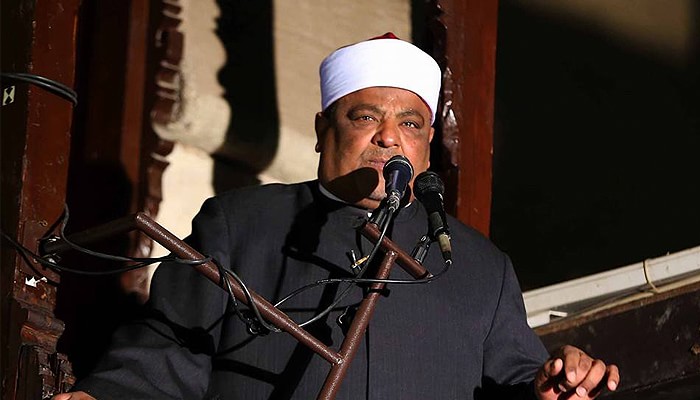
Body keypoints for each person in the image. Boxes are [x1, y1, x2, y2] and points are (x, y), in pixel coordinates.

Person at [54, 33, 619, 400]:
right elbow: (169, 352)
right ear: (324, 130)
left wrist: (552, 386)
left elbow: (514, 381)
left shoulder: (479, 265)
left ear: (427, 147)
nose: (389, 137)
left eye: (411, 124)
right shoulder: (242, 222)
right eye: (365, 117)